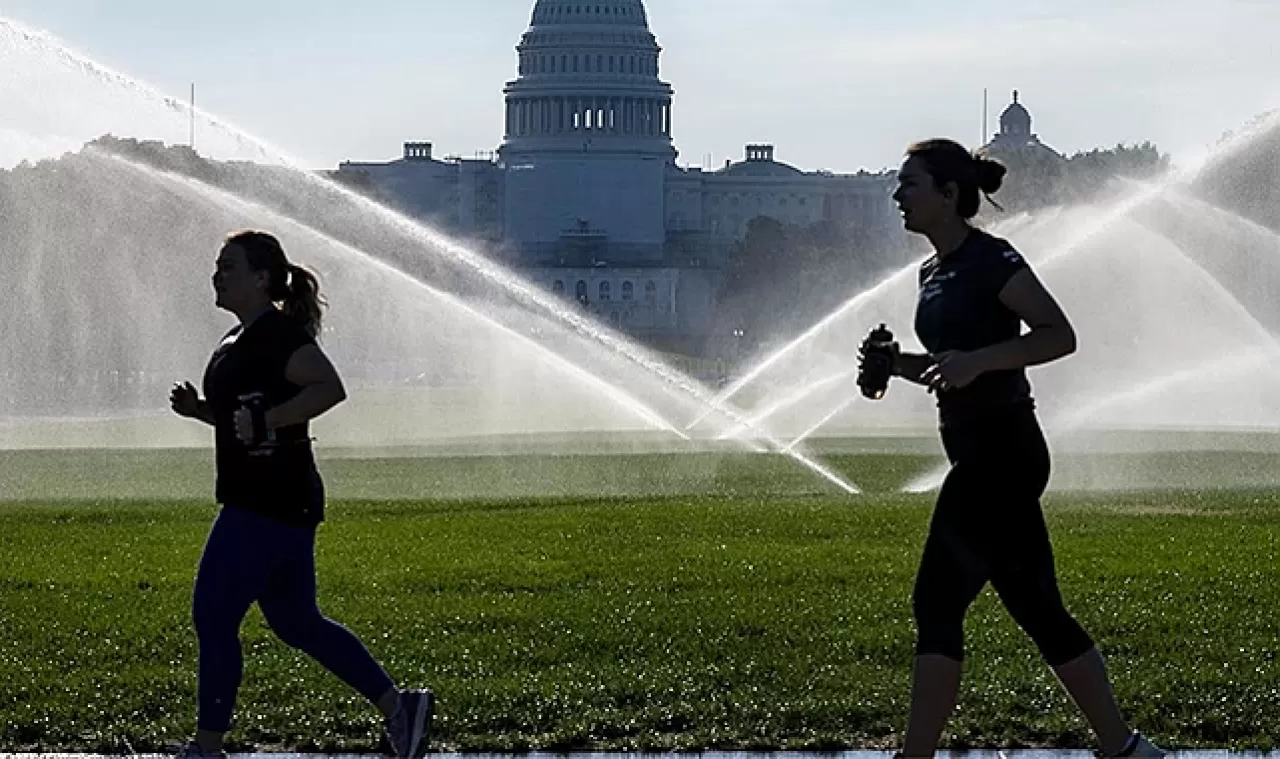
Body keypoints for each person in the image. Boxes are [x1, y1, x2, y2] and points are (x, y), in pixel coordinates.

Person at [868, 140, 1162, 758]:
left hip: (1001, 453)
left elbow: (1059, 335)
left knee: (937, 599)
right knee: (1038, 611)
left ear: (949, 196)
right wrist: (897, 365)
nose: (898, 196)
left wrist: (980, 361)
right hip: (978, 450)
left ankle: (914, 756)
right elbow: (955, 368)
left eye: (910, 185)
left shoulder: (992, 258)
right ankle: (1127, 749)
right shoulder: (933, 271)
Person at [169, 230, 433, 759]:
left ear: (261, 278)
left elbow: (328, 388)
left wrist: (268, 420)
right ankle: (400, 707)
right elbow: (241, 418)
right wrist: (202, 411)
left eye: (229, 266)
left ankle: (206, 748)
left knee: (215, 615)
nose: (217, 275)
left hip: (266, 501)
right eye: (217, 266)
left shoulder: (278, 336)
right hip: (276, 500)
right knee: (296, 622)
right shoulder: (233, 342)